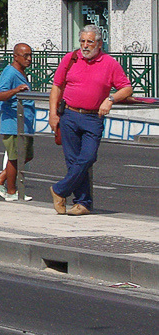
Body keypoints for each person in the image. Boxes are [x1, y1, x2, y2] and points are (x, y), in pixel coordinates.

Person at [48, 25, 132, 216]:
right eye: (83, 41)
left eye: (90, 42)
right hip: (68, 115)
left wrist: (110, 99)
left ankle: (59, 190)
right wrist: (53, 114)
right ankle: (82, 202)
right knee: (72, 160)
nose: (85, 46)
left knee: (87, 157)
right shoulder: (70, 59)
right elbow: (57, 87)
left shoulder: (109, 63)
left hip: (93, 117)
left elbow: (126, 88)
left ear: (99, 43)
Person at [0, 43, 35, 201]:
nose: (29, 59)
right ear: (15, 56)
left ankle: (0, 180)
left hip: (24, 123)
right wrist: (16, 91)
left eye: (31, 55)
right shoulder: (10, 73)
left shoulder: (21, 72)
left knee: (25, 156)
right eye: (26, 56)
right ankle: (10, 191)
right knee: (15, 158)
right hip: (13, 122)